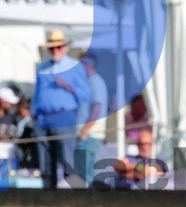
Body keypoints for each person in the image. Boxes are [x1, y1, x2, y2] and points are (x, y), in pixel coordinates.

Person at [31, 30, 90, 188]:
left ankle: (70, 196)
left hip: (64, 116)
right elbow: (37, 93)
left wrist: (68, 86)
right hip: (43, 118)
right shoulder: (42, 68)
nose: (55, 51)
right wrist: (33, 113)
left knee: (68, 159)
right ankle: (48, 195)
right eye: (52, 48)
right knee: (45, 161)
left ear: (64, 48)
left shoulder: (74, 67)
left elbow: (85, 94)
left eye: (58, 47)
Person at [77, 53, 109, 186]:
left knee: (86, 172)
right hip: (87, 134)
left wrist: (85, 129)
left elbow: (97, 108)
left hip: (89, 135)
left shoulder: (96, 82)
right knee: (83, 170)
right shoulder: (89, 82)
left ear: (88, 65)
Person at [97, 129, 166, 190]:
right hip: (119, 191)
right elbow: (117, 165)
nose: (144, 147)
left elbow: (144, 174)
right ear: (137, 145)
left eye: (147, 144)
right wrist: (138, 166)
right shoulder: (130, 157)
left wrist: (123, 171)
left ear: (153, 145)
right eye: (141, 144)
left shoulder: (158, 161)